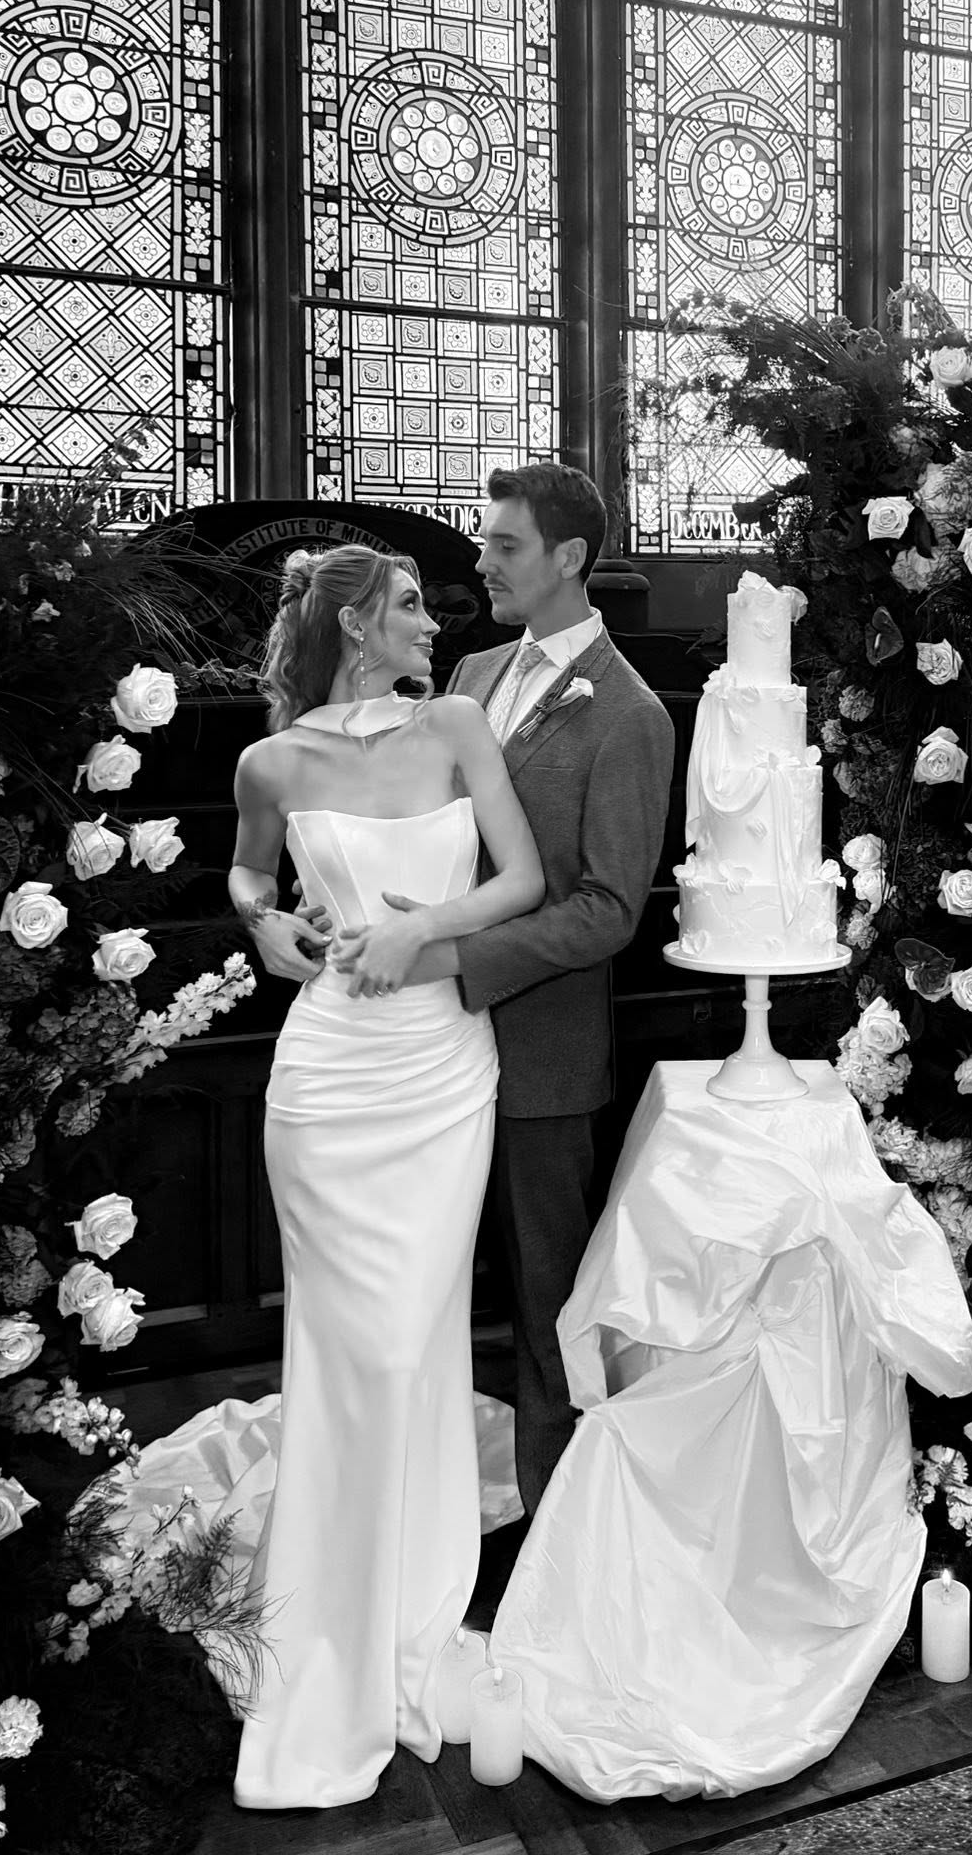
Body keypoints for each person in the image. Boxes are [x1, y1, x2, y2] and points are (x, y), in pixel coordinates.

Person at [226, 543, 544, 1809]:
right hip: (325, 1084)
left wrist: (423, 925)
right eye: (411, 605)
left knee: (414, 1341)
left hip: (440, 1071)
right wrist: (266, 921)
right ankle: (326, 1627)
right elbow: (250, 870)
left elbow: (522, 878)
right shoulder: (270, 761)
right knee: (348, 1352)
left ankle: (412, 1604)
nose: (432, 620)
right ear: (357, 623)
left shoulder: (457, 723)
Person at [329, 465, 675, 1529]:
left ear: (570, 558)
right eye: (483, 542)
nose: (480, 563)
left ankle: (562, 1535)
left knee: (544, 1309)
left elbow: (608, 909)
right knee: (420, 1287)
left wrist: (454, 959)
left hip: (540, 1055)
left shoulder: (631, 714)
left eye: (505, 545)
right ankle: (414, 1516)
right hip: (420, 1048)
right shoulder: (471, 673)